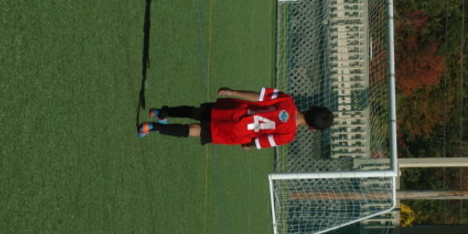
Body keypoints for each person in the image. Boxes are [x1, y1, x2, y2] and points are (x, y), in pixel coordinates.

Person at [138, 87, 333, 149]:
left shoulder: (287, 100)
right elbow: (262, 141)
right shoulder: (288, 135)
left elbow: (258, 97)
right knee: (195, 130)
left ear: (311, 107)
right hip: (236, 131)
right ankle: (152, 127)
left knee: (197, 112)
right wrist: (249, 146)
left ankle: (163, 112)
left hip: (234, 112)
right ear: (312, 129)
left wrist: (233, 92)